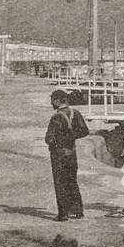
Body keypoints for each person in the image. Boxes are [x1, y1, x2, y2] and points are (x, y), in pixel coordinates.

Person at [44, 89, 89, 221]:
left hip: (59, 155)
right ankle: (78, 211)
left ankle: (63, 214)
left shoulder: (56, 117)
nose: (51, 103)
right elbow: (85, 131)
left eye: (52, 100)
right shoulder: (75, 113)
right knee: (72, 181)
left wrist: (59, 141)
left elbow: (49, 139)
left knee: (60, 183)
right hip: (72, 153)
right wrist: (71, 137)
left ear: (58, 101)